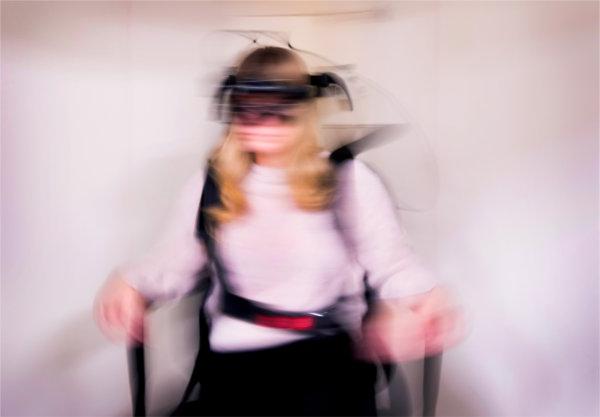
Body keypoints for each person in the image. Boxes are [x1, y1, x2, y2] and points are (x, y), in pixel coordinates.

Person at [94, 46, 464, 416]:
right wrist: (132, 284)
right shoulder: (213, 184)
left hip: (327, 362)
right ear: (232, 110)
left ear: (303, 110)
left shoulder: (349, 180)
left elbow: (392, 262)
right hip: (235, 367)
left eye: (279, 108)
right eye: (249, 108)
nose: (264, 121)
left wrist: (425, 298)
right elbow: (174, 262)